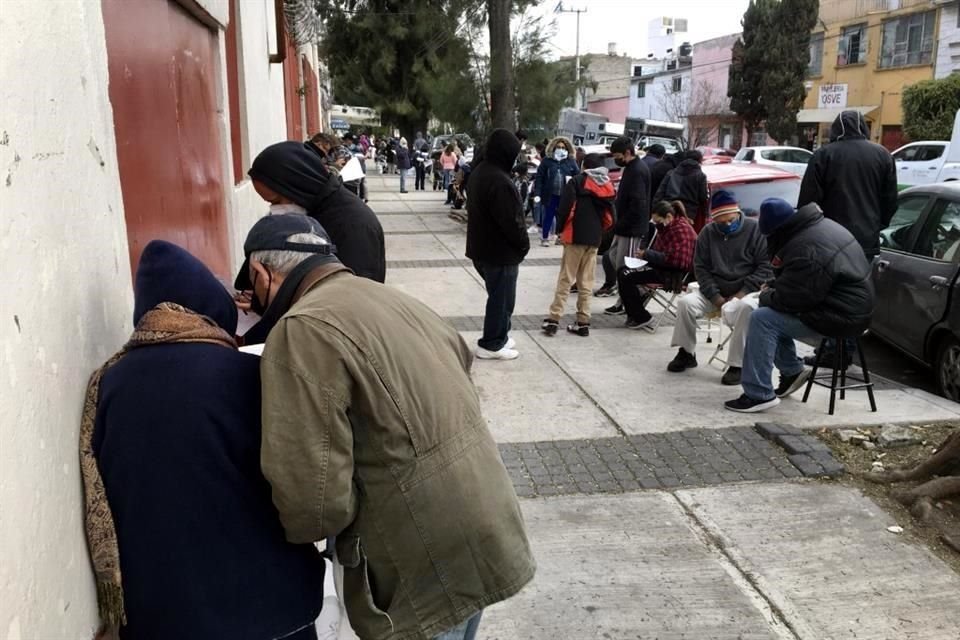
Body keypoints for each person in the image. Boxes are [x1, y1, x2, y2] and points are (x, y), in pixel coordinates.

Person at [234, 214, 536, 640]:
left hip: (422, 560)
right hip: (485, 523)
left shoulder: (302, 330)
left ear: (261, 274)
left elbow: (316, 506)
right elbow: (460, 366)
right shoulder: (392, 299)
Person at [81, 240, 324, 639]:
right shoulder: (245, 375)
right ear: (210, 306)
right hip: (265, 607)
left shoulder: (108, 384)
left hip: (160, 614)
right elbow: (296, 481)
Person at [724, 198, 875, 413]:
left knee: (761, 318)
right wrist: (777, 287)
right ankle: (791, 370)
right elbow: (809, 281)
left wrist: (766, 295)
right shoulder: (816, 227)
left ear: (776, 231)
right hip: (847, 307)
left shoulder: (806, 247)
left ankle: (758, 393)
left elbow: (795, 299)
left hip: (842, 316)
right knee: (772, 316)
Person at [798, 109, 898, 368]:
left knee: (831, 294)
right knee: (855, 295)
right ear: (863, 128)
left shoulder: (824, 155)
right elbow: (890, 201)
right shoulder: (883, 156)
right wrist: (878, 225)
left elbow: (808, 203)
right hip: (864, 240)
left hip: (828, 239)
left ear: (835, 130)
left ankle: (833, 350)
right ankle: (845, 350)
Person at [246, 141, 385, 293]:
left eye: (276, 201)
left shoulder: (354, 225)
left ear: (299, 185)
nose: (276, 210)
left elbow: (354, 296)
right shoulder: (311, 210)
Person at [666, 190, 773, 385]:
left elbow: (765, 268)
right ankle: (686, 352)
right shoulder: (707, 232)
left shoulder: (755, 230)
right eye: (721, 222)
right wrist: (715, 297)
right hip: (715, 290)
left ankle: (737, 364)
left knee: (745, 309)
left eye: (730, 220)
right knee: (685, 304)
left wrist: (740, 295)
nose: (727, 225)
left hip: (745, 291)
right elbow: (701, 268)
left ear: (737, 213)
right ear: (714, 220)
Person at [466, 129, 530, 360]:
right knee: (501, 300)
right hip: (499, 252)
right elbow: (512, 222)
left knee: (500, 297)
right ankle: (491, 343)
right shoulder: (499, 180)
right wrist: (524, 246)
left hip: (482, 249)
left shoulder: (480, 172)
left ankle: (500, 335)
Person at [541, 153, 616, 337]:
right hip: (594, 238)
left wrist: (559, 230)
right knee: (586, 282)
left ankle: (554, 319)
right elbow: (611, 215)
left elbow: (565, 207)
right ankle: (583, 322)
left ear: (584, 166)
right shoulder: (608, 186)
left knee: (566, 279)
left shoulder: (576, 182)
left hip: (574, 235)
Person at [617, 200, 697, 329]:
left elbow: (679, 261)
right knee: (622, 270)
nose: (656, 225)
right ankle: (635, 314)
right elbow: (662, 253)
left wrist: (647, 255)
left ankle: (641, 317)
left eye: (658, 221)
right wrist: (645, 256)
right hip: (661, 268)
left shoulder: (681, 230)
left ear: (669, 217)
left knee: (626, 275)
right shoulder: (668, 227)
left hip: (672, 274)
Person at [596, 136, 651, 300]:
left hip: (632, 228)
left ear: (627, 152)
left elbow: (638, 203)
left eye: (617, 156)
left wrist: (623, 222)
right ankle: (627, 297)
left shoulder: (638, 170)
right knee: (612, 257)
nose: (615, 160)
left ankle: (631, 298)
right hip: (622, 226)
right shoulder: (630, 168)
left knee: (625, 266)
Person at [533, 136, 579, 247]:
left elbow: (577, 177)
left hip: (564, 195)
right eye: (558, 147)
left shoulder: (571, 162)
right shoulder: (547, 161)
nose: (561, 149)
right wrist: (538, 193)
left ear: (567, 149)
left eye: (563, 147)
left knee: (563, 216)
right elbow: (539, 177)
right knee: (548, 216)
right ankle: (545, 238)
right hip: (550, 194)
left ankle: (560, 237)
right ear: (553, 148)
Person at [654, 149, 710, 230]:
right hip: (688, 214)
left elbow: (660, 192)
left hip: (668, 208)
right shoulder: (700, 176)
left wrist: (656, 208)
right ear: (700, 161)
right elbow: (703, 197)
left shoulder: (671, 172)